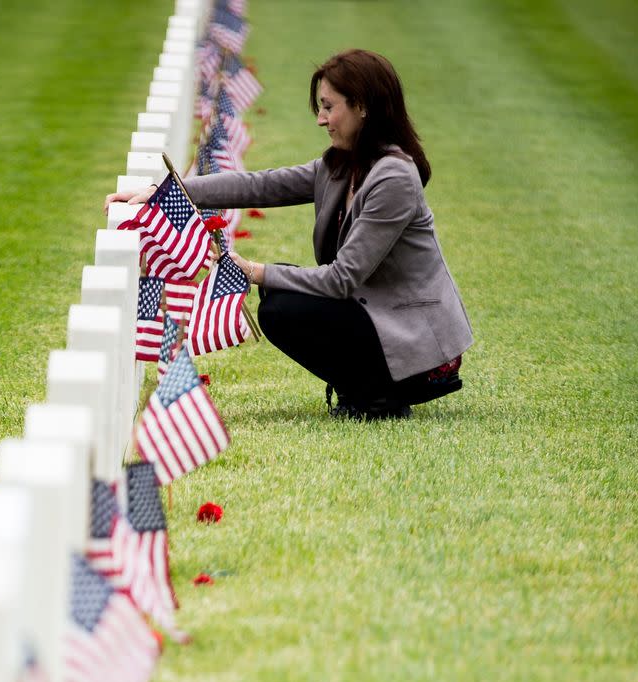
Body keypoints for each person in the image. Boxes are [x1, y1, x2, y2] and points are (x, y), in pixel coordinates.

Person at [107, 49, 472, 421]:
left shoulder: (393, 177)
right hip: (378, 315)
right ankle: (367, 389)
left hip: (417, 344)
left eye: (329, 107)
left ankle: (379, 398)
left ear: (362, 106)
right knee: (279, 294)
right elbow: (259, 186)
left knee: (282, 307)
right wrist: (167, 191)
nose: (321, 119)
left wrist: (253, 269)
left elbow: (342, 279)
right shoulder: (343, 163)